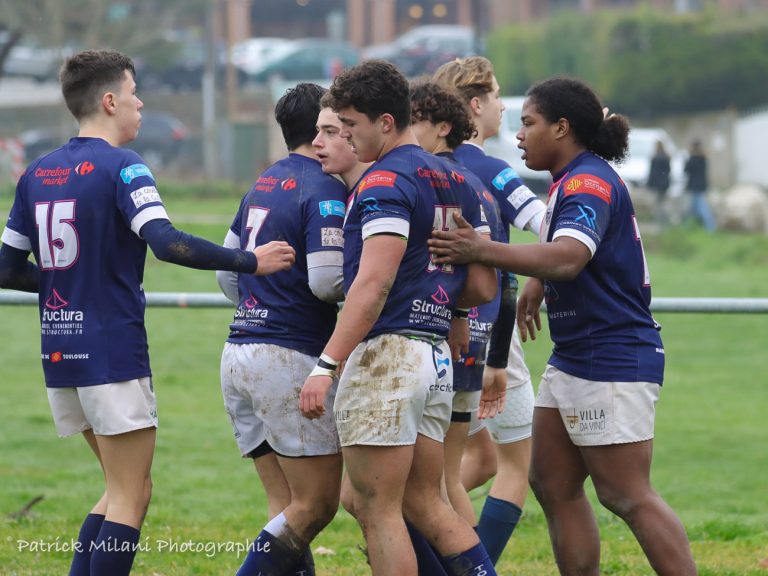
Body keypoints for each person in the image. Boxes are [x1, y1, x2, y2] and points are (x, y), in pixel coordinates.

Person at [0, 49, 295, 576]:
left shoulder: (37, 172)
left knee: (120, 489)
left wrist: (71, 286)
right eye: (134, 94)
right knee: (131, 495)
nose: (140, 104)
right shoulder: (125, 166)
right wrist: (250, 260)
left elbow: (7, 268)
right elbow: (166, 242)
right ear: (109, 101)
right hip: (111, 350)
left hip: (60, 351)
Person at [428, 75, 698, 576]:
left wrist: (480, 249)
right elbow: (570, 254)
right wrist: (538, 280)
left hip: (612, 354)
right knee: (551, 481)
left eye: (529, 123)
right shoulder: (568, 180)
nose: (518, 134)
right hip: (576, 354)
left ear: (562, 128)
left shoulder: (586, 183)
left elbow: (571, 256)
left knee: (625, 493)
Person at [298, 59, 499, 576]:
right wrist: (453, 310)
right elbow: (483, 285)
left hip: (389, 356)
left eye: (351, 125)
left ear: (386, 122)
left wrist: (325, 365)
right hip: (435, 356)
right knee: (426, 502)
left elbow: (373, 284)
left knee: (377, 509)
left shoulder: (384, 180)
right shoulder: (458, 179)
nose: (346, 135)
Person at [216, 83, 347, 576]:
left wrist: (262, 301)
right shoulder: (325, 186)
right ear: (320, 129)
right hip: (288, 357)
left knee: (286, 506)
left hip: (238, 350)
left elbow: (226, 273)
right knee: (315, 505)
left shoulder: (263, 182)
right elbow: (326, 281)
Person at [433, 55, 542, 564]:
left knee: (471, 458)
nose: (503, 106)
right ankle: (470, 566)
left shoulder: (425, 165)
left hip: (431, 328)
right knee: (517, 463)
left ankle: (431, 547)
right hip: (486, 332)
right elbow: (547, 223)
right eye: (497, 95)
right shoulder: (491, 171)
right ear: (475, 105)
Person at [684, 139, 716, 231]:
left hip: (695, 186)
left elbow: (686, 170)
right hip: (701, 185)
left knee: (702, 208)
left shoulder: (693, 159)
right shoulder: (703, 158)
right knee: (693, 208)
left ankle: (711, 227)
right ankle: (689, 226)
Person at [647, 140, 671, 229]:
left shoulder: (655, 158)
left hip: (657, 184)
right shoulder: (667, 157)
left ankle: (661, 222)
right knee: (662, 202)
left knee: (658, 204)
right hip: (665, 184)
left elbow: (653, 173)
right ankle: (665, 221)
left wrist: (649, 184)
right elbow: (668, 170)